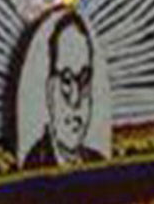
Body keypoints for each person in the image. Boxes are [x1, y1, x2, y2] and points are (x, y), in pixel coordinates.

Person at [23, 12, 104, 168]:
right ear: (49, 90)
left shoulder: (98, 162)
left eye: (84, 79)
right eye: (66, 81)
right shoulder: (34, 164)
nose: (76, 99)